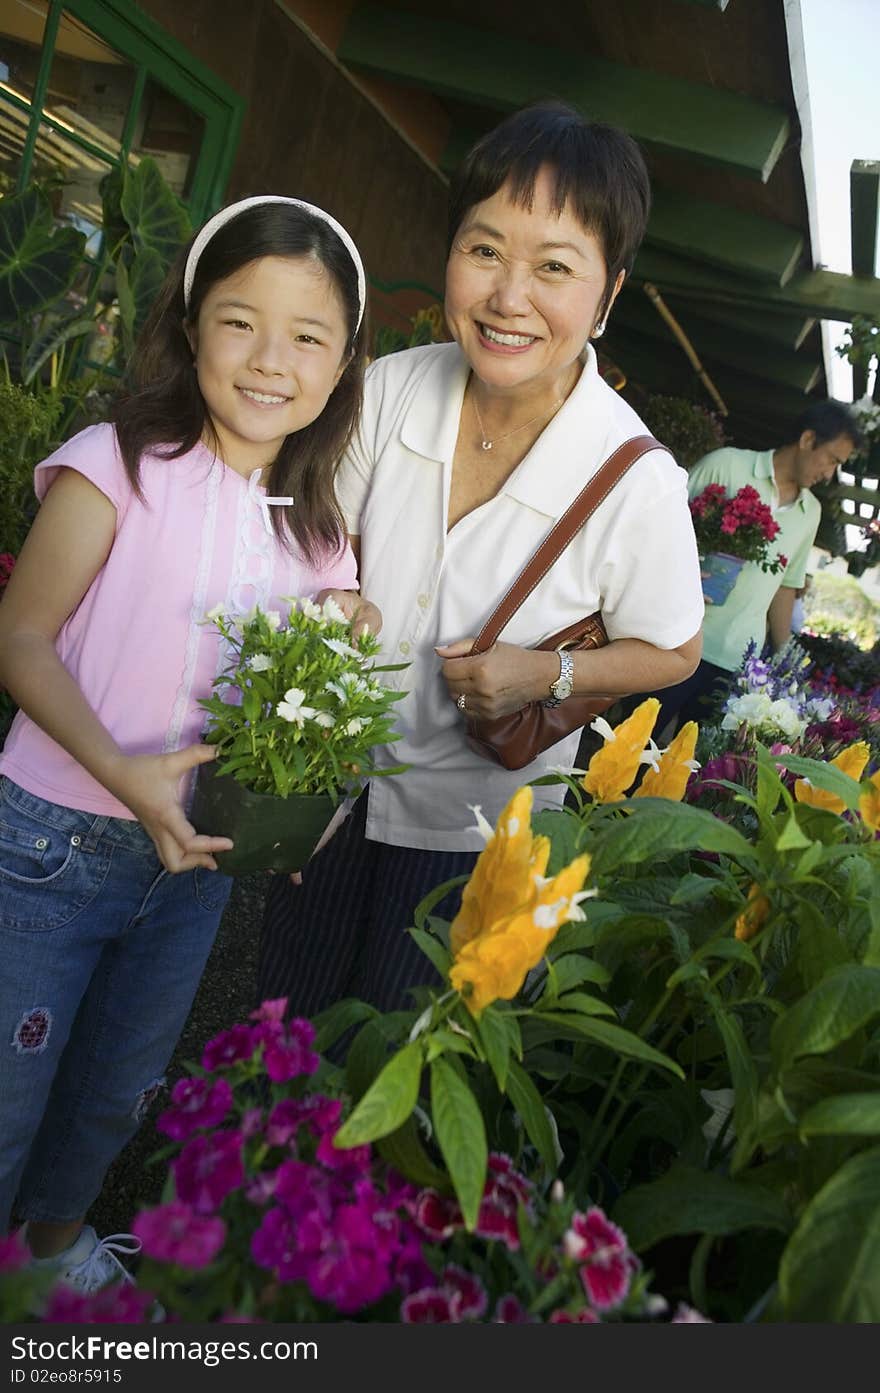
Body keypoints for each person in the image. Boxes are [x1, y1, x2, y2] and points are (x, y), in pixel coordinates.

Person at [0, 195, 377, 1289]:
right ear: (190, 323)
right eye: (240, 321)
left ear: (343, 361)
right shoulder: (115, 462)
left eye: (308, 336)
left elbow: (334, 657)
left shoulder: (312, 525)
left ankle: (51, 1245)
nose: (271, 360)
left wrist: (314, 786)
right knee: (10, 1082)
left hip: (196, 864)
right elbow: (20, 637)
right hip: (51, 840)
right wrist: (118, 770)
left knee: (119, 1082)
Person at [259, 102, 705, 1019]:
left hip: (479, 838)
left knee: (408, 1082)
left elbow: (673, 650)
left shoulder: (636, 477)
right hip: (331, 792)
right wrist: (335, 597)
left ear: (609, 294)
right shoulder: (387, 388)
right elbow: (317, 543)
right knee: (281, 1040)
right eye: (485, 250)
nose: (509, 297)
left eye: (554, 268)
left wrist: (549, 671)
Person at [644, 401, 863, 733]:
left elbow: (787, 586)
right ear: (807, 440)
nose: (830, 473)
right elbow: (657, 530)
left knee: (684, 768)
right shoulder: (726, 465)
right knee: (625, 745)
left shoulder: (810, 512)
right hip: (670, 638)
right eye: (832, 459)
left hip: (733, 661)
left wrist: (784, 655)